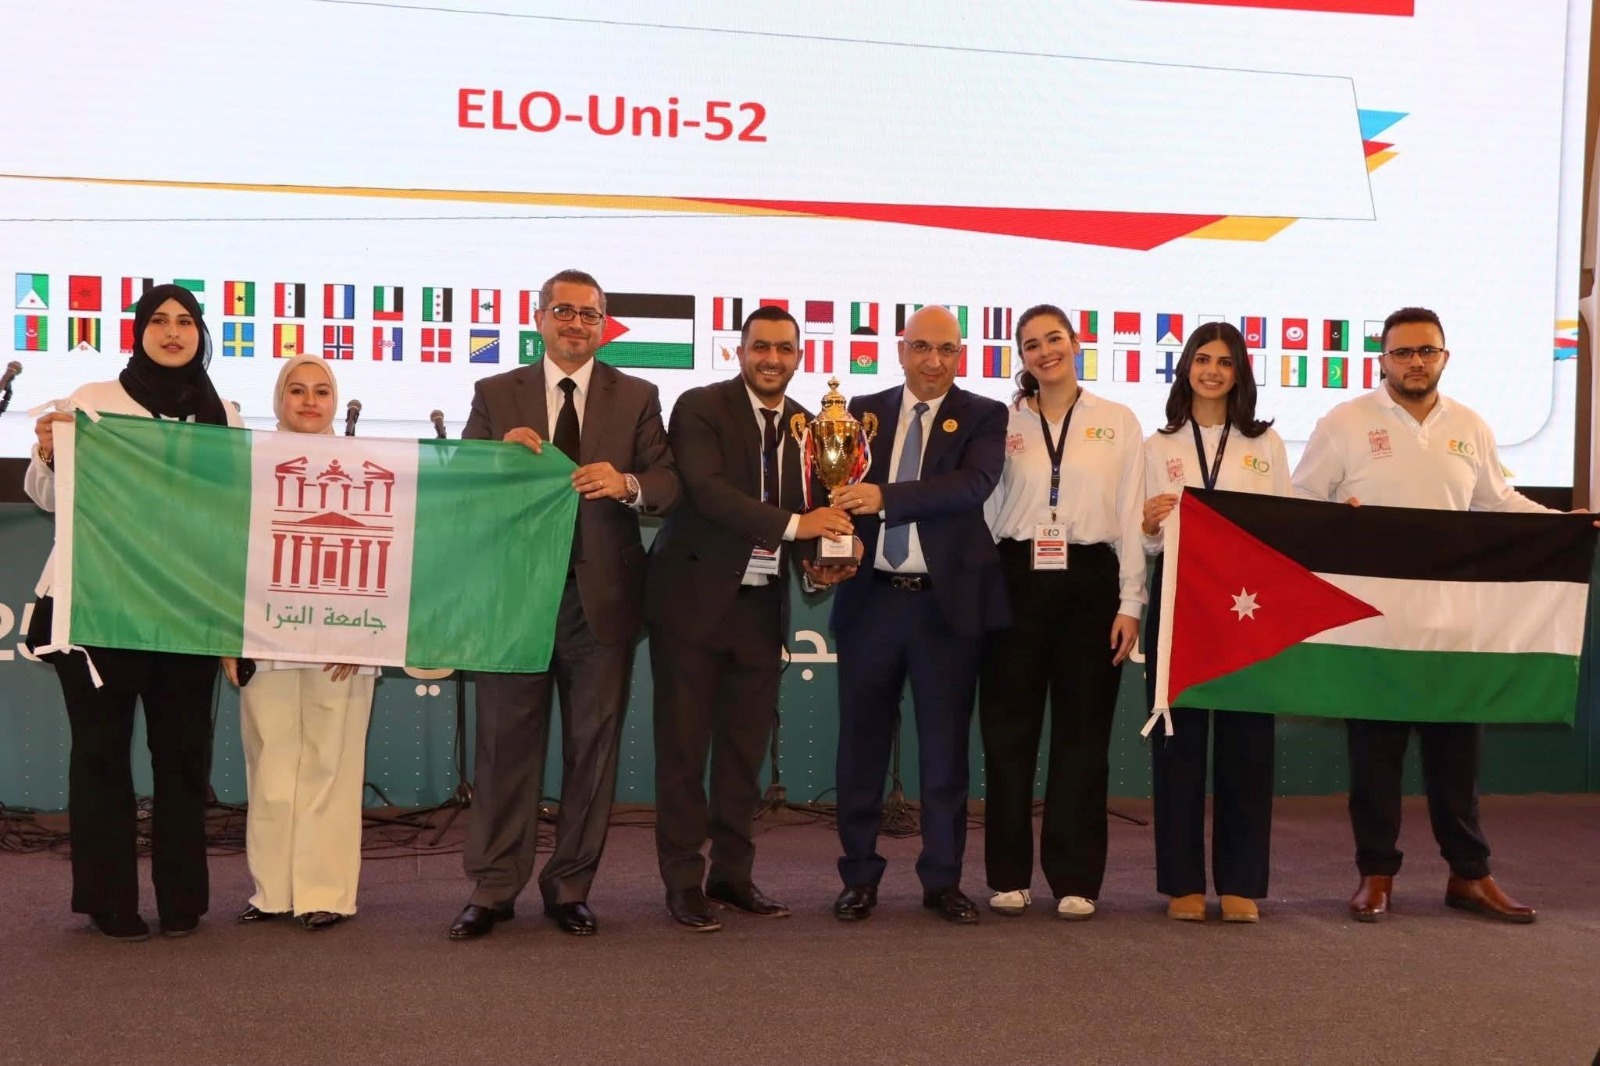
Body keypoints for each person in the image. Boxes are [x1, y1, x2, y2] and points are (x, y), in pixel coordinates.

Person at [1293, 306, 1545, 924]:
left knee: (1457, 760)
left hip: (1453, 628)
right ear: (1382, 359)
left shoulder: (1471, 426)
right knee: (1374, 761)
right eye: (1402, 352)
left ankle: (1469, 874)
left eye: (1426, 351)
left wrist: (1565, 524)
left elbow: (1498, 502)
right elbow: (1301, 503)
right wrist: (1338, 520)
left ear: (1444, 357)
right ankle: (1376, 874)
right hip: (1373, 627)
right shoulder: (1344, 422)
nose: (1415, 362)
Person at [449, 268, 679, 940]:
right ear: (540, 318)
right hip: (515, 600)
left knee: (591, 754)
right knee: (503, 751)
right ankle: (493, 888)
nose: (577, 323)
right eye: (565, 311)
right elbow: (461, 479)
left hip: (600, 603)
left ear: (604, 325)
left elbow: (669, 481)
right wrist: (496, 457)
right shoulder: (496, 392)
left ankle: (570, 886)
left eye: (590, 314)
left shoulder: (637, 396)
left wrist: (628, 482)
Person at [25, 284, 243, 941]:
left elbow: (232, 518)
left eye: (186, 321)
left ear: (201, 334)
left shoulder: (224, 417)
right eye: (159, 321)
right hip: (98, 605)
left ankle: (182, 900)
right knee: (101, 757)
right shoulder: (92, 402)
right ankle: (108, 901)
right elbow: (48, 497)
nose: (173, 332)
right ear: (139, 330)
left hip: (184, 611)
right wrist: (48, 452)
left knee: (183, 760)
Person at [645, 305, 855, 931]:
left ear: (799, 357)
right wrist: (797, 526)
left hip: (761, 609)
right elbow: (708, 493)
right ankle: (684, 883)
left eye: (784, 349)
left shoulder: (810, 426)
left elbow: (812, 511)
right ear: (739, 352)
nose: (772, 359)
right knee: (684, 754)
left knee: (743, 754)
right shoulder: (700, 407)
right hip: (692, 607)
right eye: (760, 346)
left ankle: (732, 876)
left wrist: (820, 563)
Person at [826, 304, 1009, 924]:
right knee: (860, 749)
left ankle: (942, 880)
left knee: (944, 754)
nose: (934, 361)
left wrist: (884, 497)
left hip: (945, 609)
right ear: (901, 350)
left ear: (961, 356)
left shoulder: (985, 414)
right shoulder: (860, 412)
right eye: (923, 347)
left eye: (947, 350)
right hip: (870, 601)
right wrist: (830, 545)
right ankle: (858, 877)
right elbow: (835, 494)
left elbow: (971, 486)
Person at [977, 304, 1144, 921]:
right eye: (1031, 344)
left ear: (1076, 343)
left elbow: (1132, 514)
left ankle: (1076, 877)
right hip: (1015, 578)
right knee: (1008, 734)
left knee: (1083, 736)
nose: (1045, 351)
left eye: (1054, 339)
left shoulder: (1117, 420)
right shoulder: (1001, 422)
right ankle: (1008, 875)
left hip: (1091, 581)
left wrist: (1131, 601)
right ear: (1020, 356)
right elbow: (985, 510)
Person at [1139, 322, 1289, 923]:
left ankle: (1240, 883)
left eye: (1225, 362)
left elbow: (1283, 526)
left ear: (1239, 373)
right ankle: (1182, 884)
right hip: (1180, 603)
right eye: (1202, 359)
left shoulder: (1265, 444)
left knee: (1247, 745)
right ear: (1186, 367)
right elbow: (1143, 541)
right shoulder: (1157, 446)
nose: (1212, 371)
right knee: (1178, 745)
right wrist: (1150, 525)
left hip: (1248, 608)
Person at [223, 355, 377, 932]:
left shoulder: (367, 467)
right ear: (278, 398)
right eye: (297, 390)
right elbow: (229, 554)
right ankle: (273, 892)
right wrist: (228, 636)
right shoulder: (250, 466)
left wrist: (366, 634)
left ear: (335, 401)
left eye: (321, 391)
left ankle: (325, 892)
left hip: (344, 645)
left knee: (330, 765)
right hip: (264, 636)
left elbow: (384, 555)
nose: (310, 401)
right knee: (270, 765)